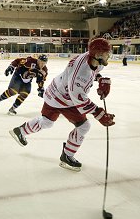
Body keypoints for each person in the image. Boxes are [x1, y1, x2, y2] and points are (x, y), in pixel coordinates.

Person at [9, 38, 115, 172]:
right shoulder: (80, 73)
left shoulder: (91, 59)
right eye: (106, 53)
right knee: (84, 126)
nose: (108, 55)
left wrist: (101, 79)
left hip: (54, 91)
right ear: (98, 55)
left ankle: (20, 131)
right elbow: (79, 99)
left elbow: (92, 71)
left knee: (47, 122)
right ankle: (67, 156)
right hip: (64, 99)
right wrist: (99, 114)